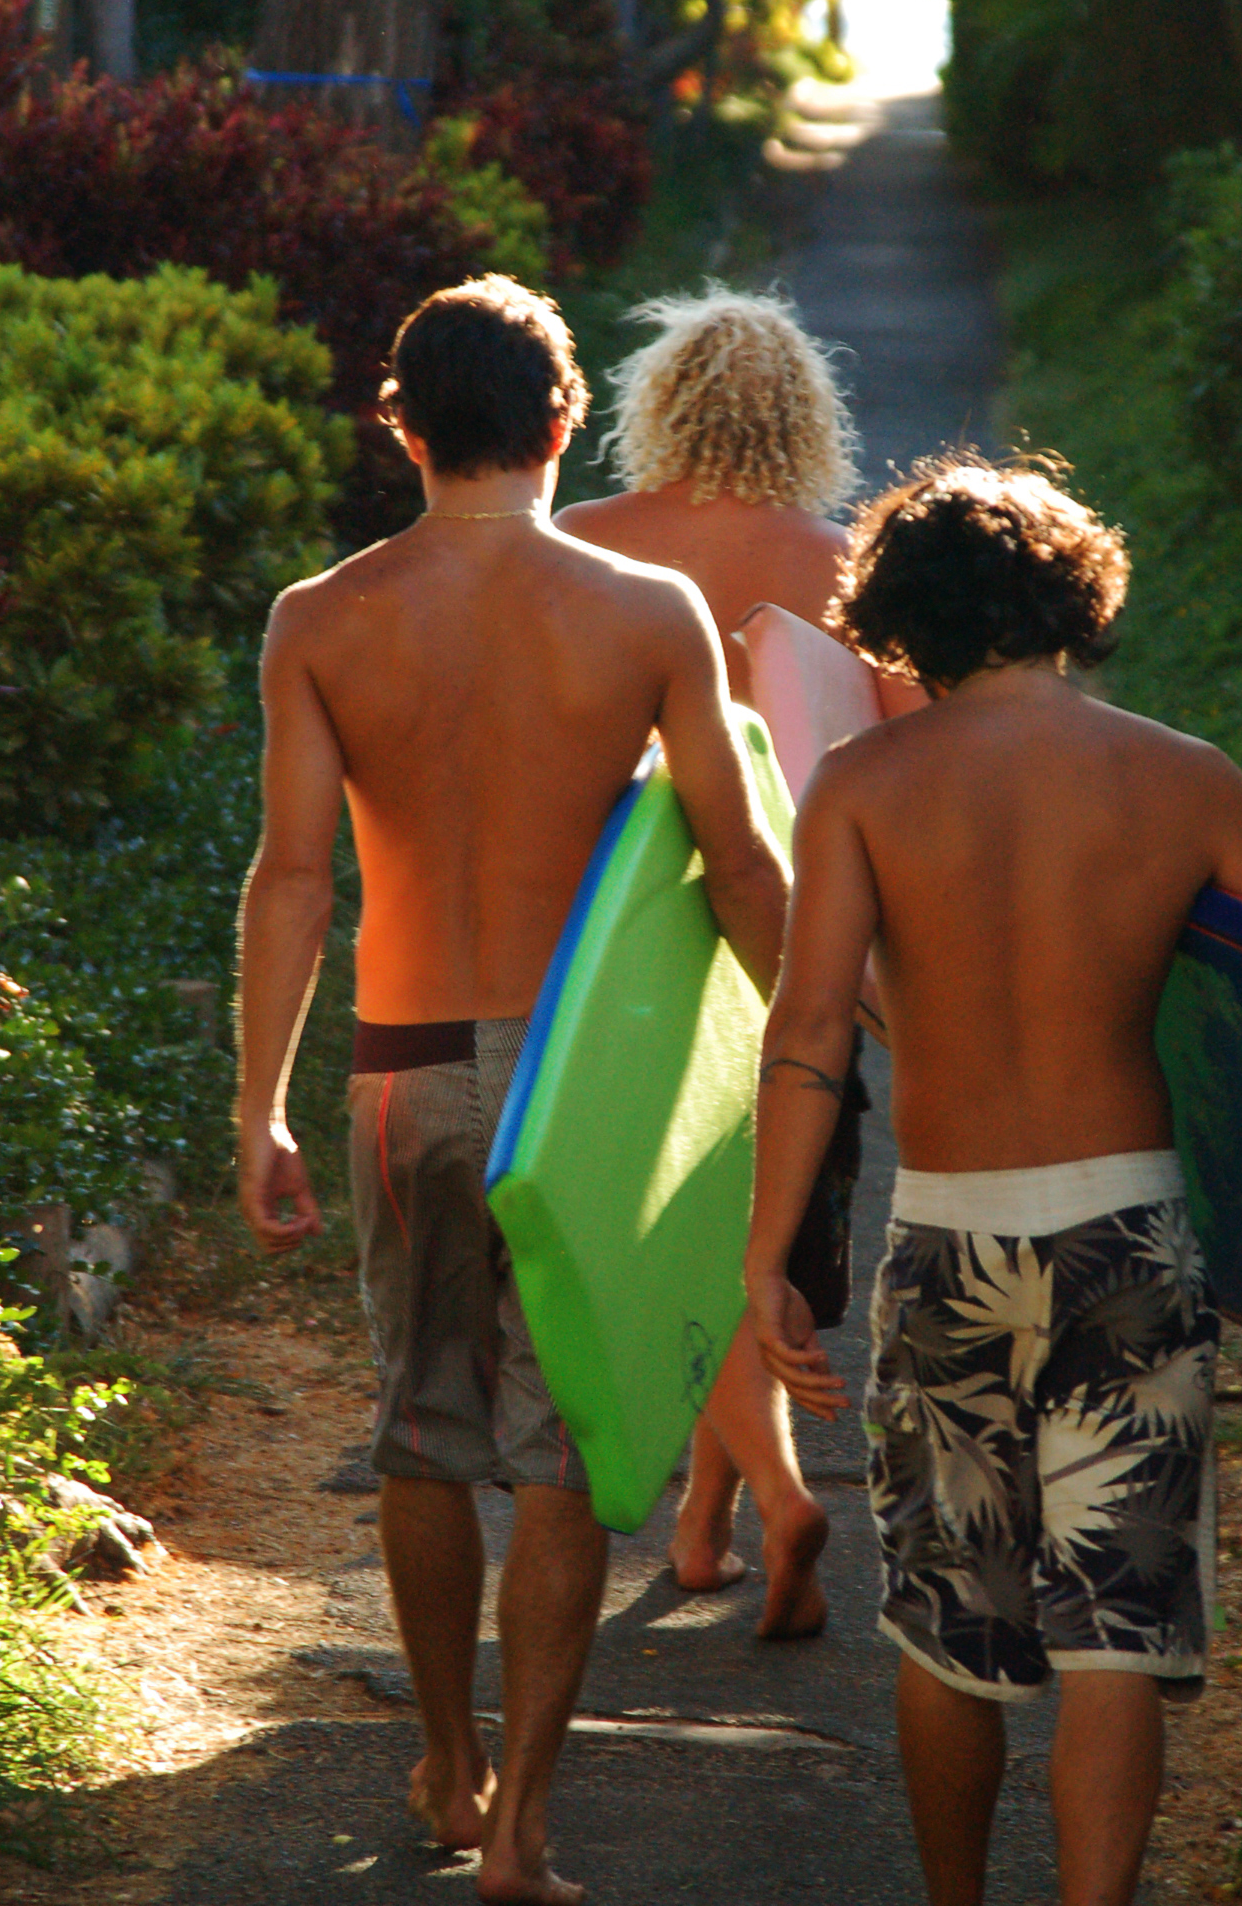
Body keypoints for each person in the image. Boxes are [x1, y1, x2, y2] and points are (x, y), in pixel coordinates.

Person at [235, 275, 789, 1906]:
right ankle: (526, 1828)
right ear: (562, 422)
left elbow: (292, 878)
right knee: (563, 1445)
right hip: (582, 1091)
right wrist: (818, 1042)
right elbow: (740, 864)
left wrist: (261, 1106)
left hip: (404, 1078)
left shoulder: (320, 618)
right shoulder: (647, 612)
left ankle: (445, 1762)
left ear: (400, 427)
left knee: (422, 1428)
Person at [742, 454, 1242, 1906]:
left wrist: (773, 1256)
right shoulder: (1187, 779)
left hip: (950, 1244)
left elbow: (810, 1033)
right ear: (1074, 600)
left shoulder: (862, 786)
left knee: (952, 1632)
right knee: (1114, 1633)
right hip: (1131, 1240)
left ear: (902, 620)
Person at [560, 285, 900, 1639]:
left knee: (683, 1227)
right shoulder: (846, 563)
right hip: (801, 924)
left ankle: (753, 1498)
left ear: (660, 405)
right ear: (806, 416)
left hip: (629, 925)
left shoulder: (583, 541)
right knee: (759, 1214)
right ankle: (723, 1515)